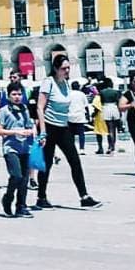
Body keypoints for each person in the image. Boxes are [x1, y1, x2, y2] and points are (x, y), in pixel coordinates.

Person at [35, 55, 101, 209]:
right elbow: (40, 107)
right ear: (56, 69)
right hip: (49, 127)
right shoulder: (48, 82)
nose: (67, 70)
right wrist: (42, 132)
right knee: (47, 163)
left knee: (75, 160)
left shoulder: (66, 84)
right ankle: (41, 196)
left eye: (68, 68)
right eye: (64, 68)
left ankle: (84, 196)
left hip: (63, 127)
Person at [0, 81, 35, 217]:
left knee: (24, 179)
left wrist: (33, 132)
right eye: (14, 94)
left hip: (26, 147)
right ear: (8, 96)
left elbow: (30, 125)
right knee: (16, 175)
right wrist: (15, 132)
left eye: (19, 94)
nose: (17, 97)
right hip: (11, 148)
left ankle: (21, 205)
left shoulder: (25, 109)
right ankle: (8, 197)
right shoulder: (4, 111)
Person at [98, 78, 121, 154]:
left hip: (106, 107)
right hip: (114, 107)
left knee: (109, 129)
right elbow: (118, 102)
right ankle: (113, 145)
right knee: (114, 129)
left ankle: (110, 146)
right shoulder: (116, 92)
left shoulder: (102, 92)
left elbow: (101, 102)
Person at [67, 81, 90, 154]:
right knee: (81, 133)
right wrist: (88, 116)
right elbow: (86, 106)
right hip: (80, 115)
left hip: (70, 115)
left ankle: (72, 149)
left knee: (71, 134)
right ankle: (81, 149)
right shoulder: (82, 94)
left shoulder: (68, 94)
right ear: (78, 86)